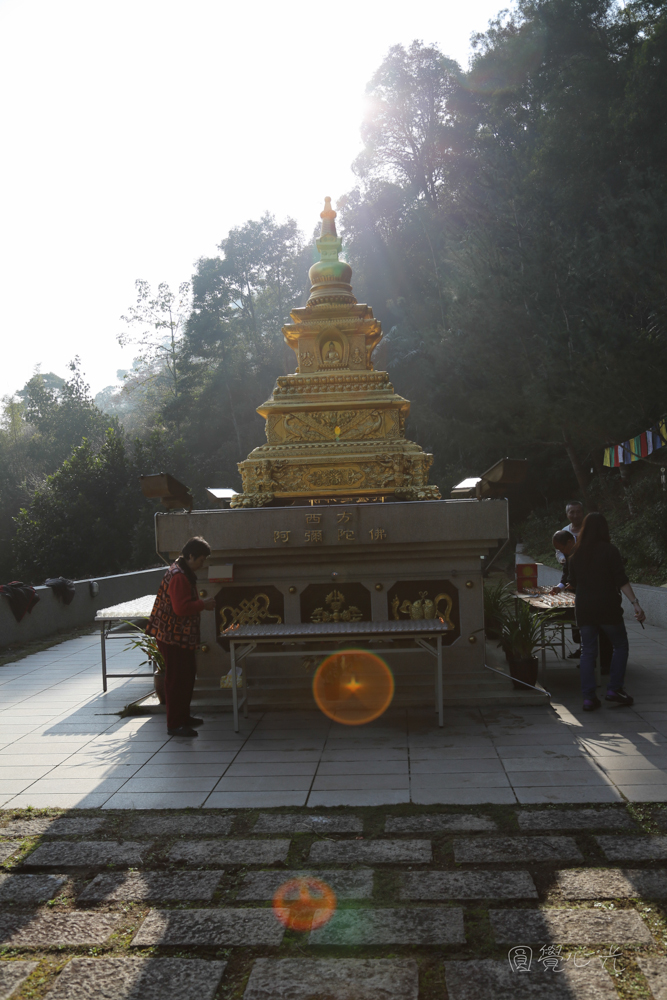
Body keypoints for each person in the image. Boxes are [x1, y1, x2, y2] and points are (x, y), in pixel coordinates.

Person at [567, 513, 645, 711]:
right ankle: (614, 689)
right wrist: (635, 603)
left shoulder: (576, 553)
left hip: (584, 607)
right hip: (607, 606)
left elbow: (572, 583)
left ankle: (588, 698)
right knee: (620, 645)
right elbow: (621, 579)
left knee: (587, 652)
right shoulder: (610, 550)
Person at [146, 536, 216, 737]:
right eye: (201, 560)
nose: (202, 564)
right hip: (172, 637)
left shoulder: (182, 570)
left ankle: (183, 717)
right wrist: (203, 604)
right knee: (177, 680)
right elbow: (180, 608)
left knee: (187, 676)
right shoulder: (178, 576)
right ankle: (175, 724)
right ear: (191, 556)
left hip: (179, 637)